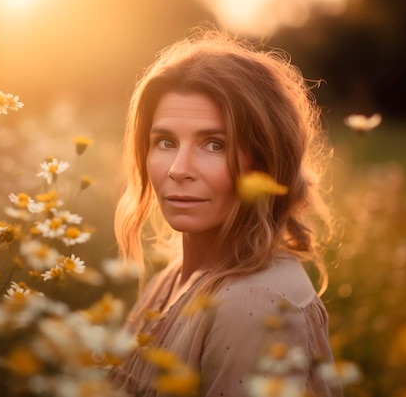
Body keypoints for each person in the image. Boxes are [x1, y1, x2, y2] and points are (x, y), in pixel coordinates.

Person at [111, 28, 340, 396]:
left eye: (214, 144)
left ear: (265, 162)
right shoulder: (172, 279)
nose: (178, 169)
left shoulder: (254, 303)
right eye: (165, 142)